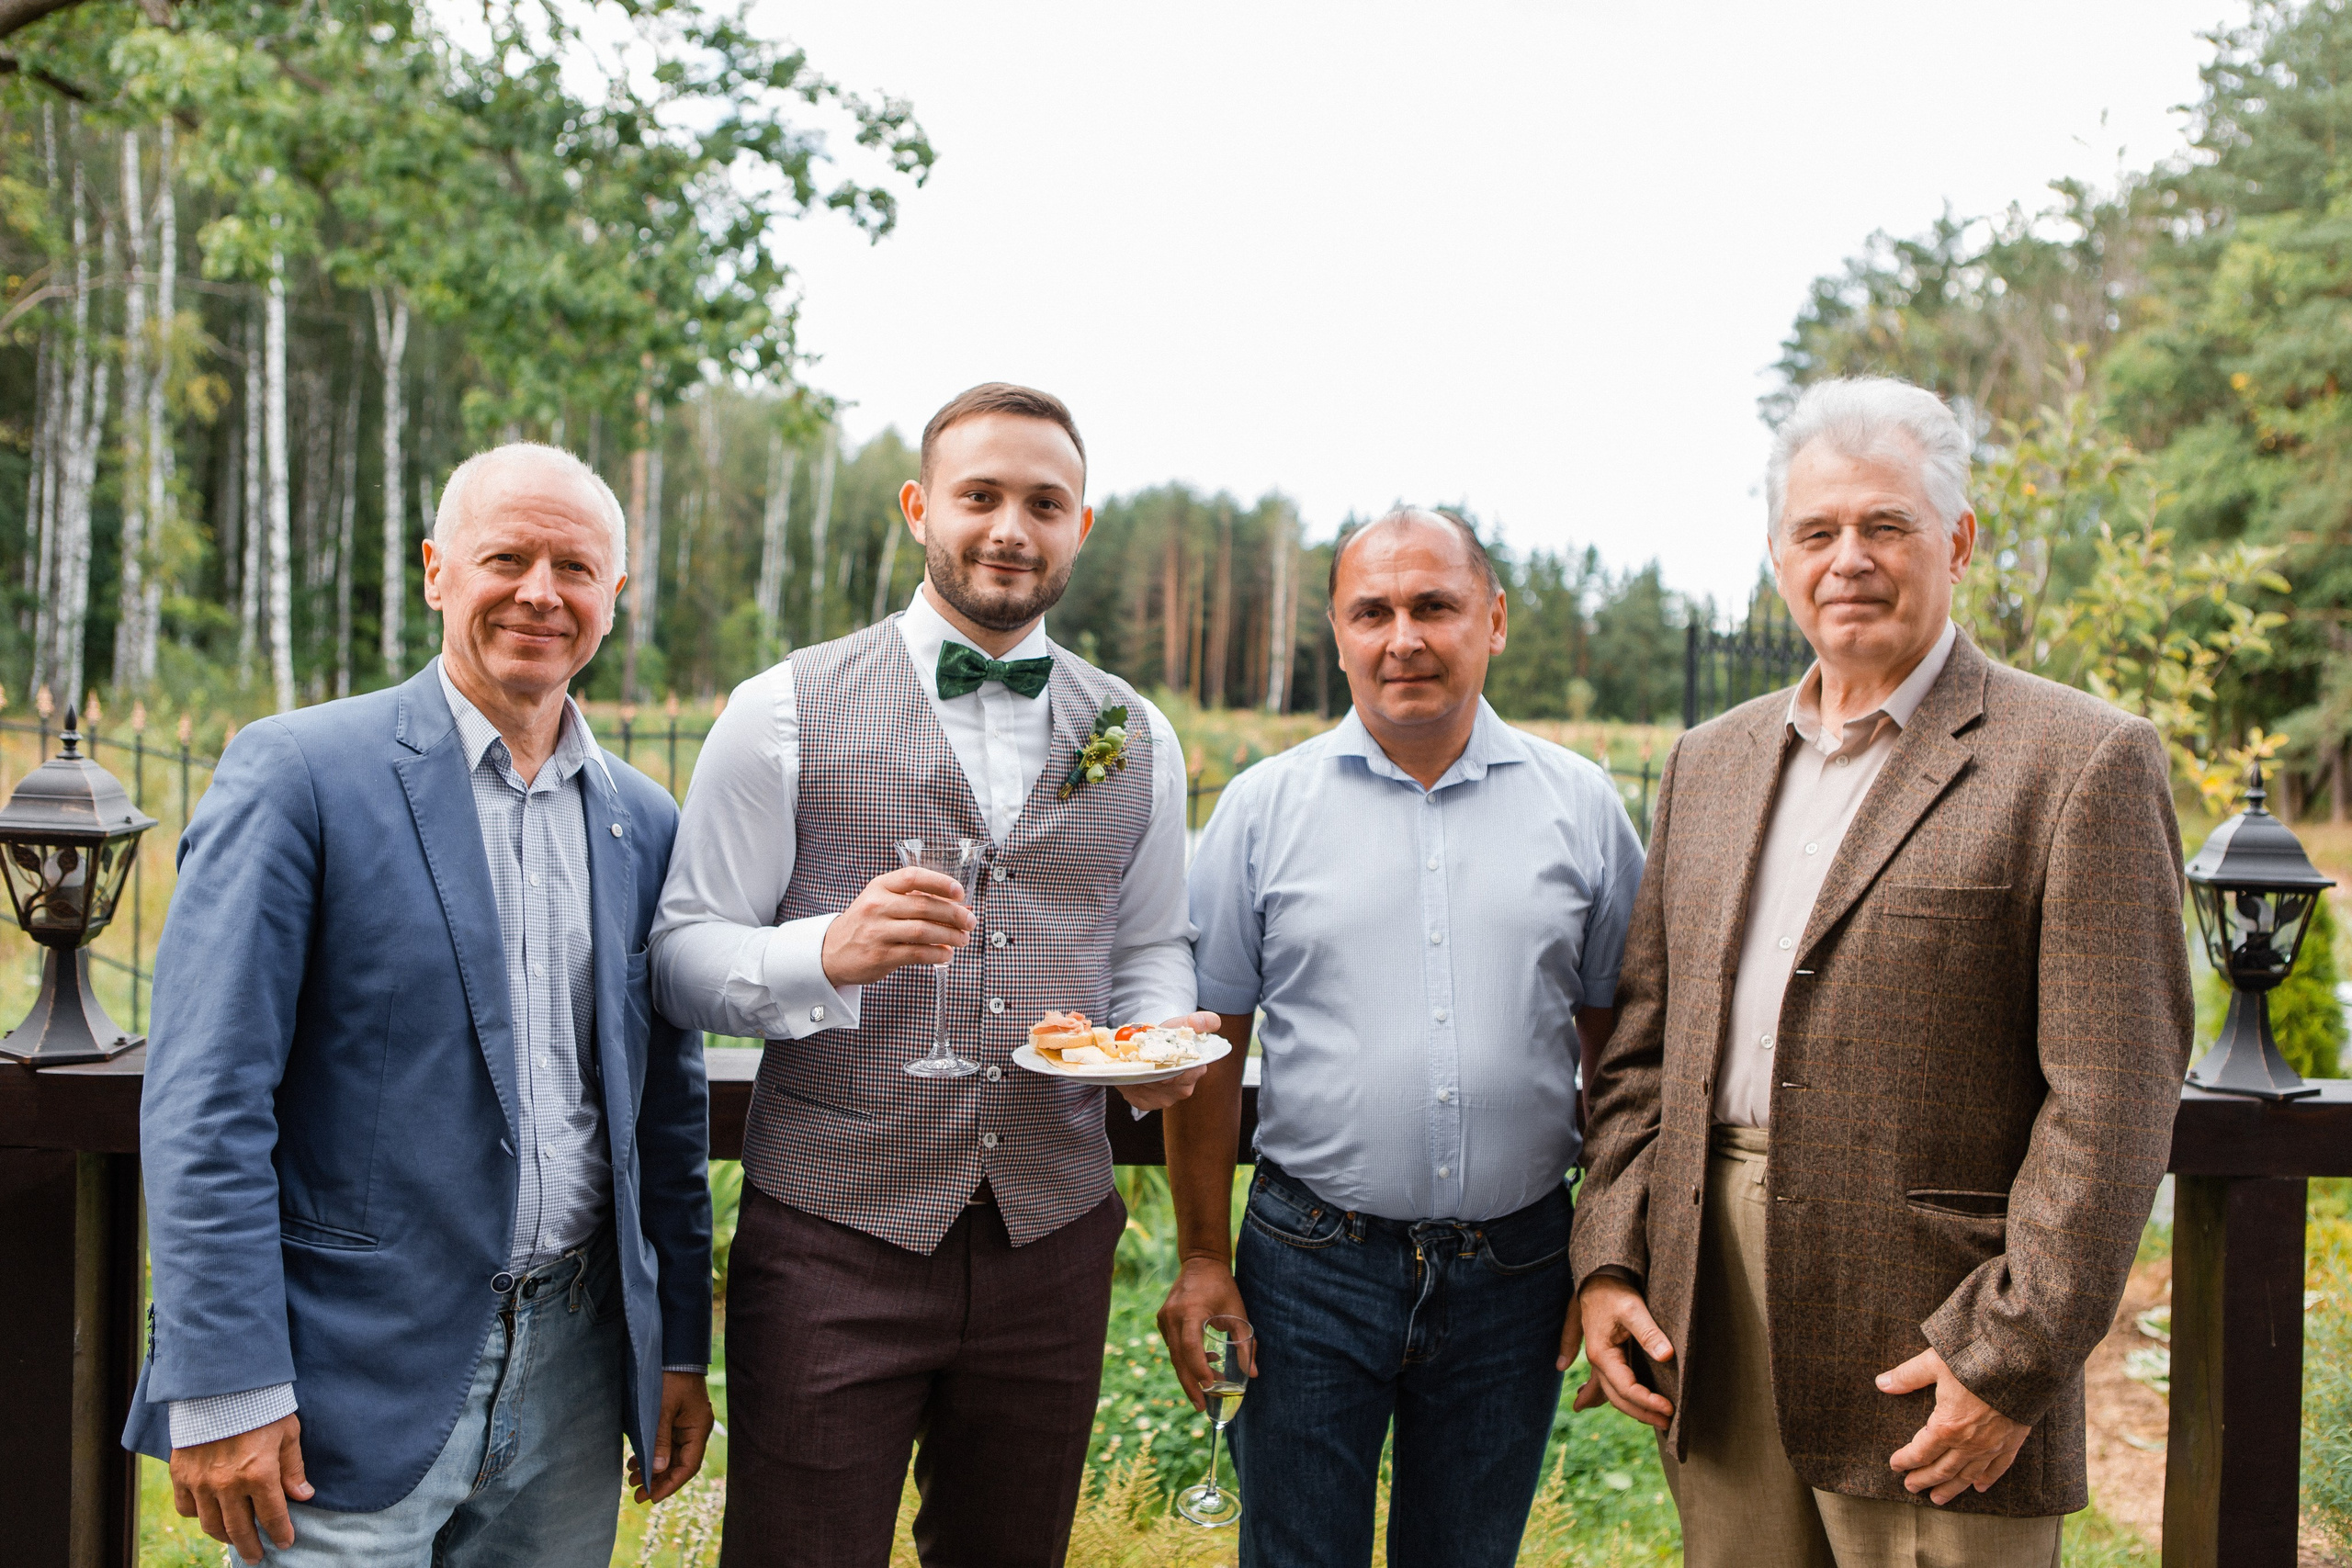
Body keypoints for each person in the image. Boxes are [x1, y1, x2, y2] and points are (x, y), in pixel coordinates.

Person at [1571, 377, 2194, 1567]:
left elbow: (2112, 1102)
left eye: (1885, 525)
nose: (1847, 557)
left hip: (1937, 1334)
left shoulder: (2080, 761)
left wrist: (2008, 1356)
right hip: (1715, 1307)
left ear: (1958, 541)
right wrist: (1608, 1254)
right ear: (1777, 557)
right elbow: (1645, 1049)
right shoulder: (1709, 761)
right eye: (1817, 532)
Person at [650, 382, 1214, 1567]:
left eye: (1043, 503)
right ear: (920, 509)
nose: (1011, 528)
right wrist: (826, 951)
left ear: (1081, 528)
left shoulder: (1138, 733)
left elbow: (1154, 938)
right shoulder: (779, 711)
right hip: (830, 1239)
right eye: (981, 496)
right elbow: (682, 954)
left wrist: (1152, 1040)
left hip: (1052, 1238)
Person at [124, 443, 716, 1564]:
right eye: (508, 557)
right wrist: (222, 1384)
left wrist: (675, 1344)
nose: (542, 592)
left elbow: (664, 1118)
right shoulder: (298, 774)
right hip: (347, 1382)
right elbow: (206, 1096)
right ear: (438, 571)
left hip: (576, 1382)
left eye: (577, 569)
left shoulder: (642, 819)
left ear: (614, 598)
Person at [1161, 507, 1644, 1567]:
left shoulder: (1582, 808)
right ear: (1336, 632)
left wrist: (1613, 1255)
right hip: (1307, 1269)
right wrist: (1201, 1253)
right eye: (1370, 612)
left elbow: (1623, 1059)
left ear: (1494, 619)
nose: (1403, 638)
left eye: (1435, 606)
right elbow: (1207, 1054)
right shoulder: (1258, 810)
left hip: (1518, 1269)